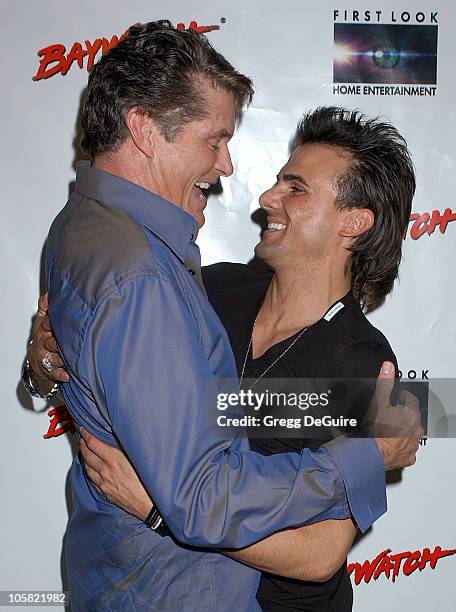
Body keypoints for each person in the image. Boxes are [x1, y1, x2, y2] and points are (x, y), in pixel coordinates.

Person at [24, 21, 421, 612]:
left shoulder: (365, 362)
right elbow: (197, 403)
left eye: (296, 188)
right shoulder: (215, 289)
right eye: (280, 178)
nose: (265, 196)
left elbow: (317, 555)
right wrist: (46, 361)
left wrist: (159, 508)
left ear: (353, 223)